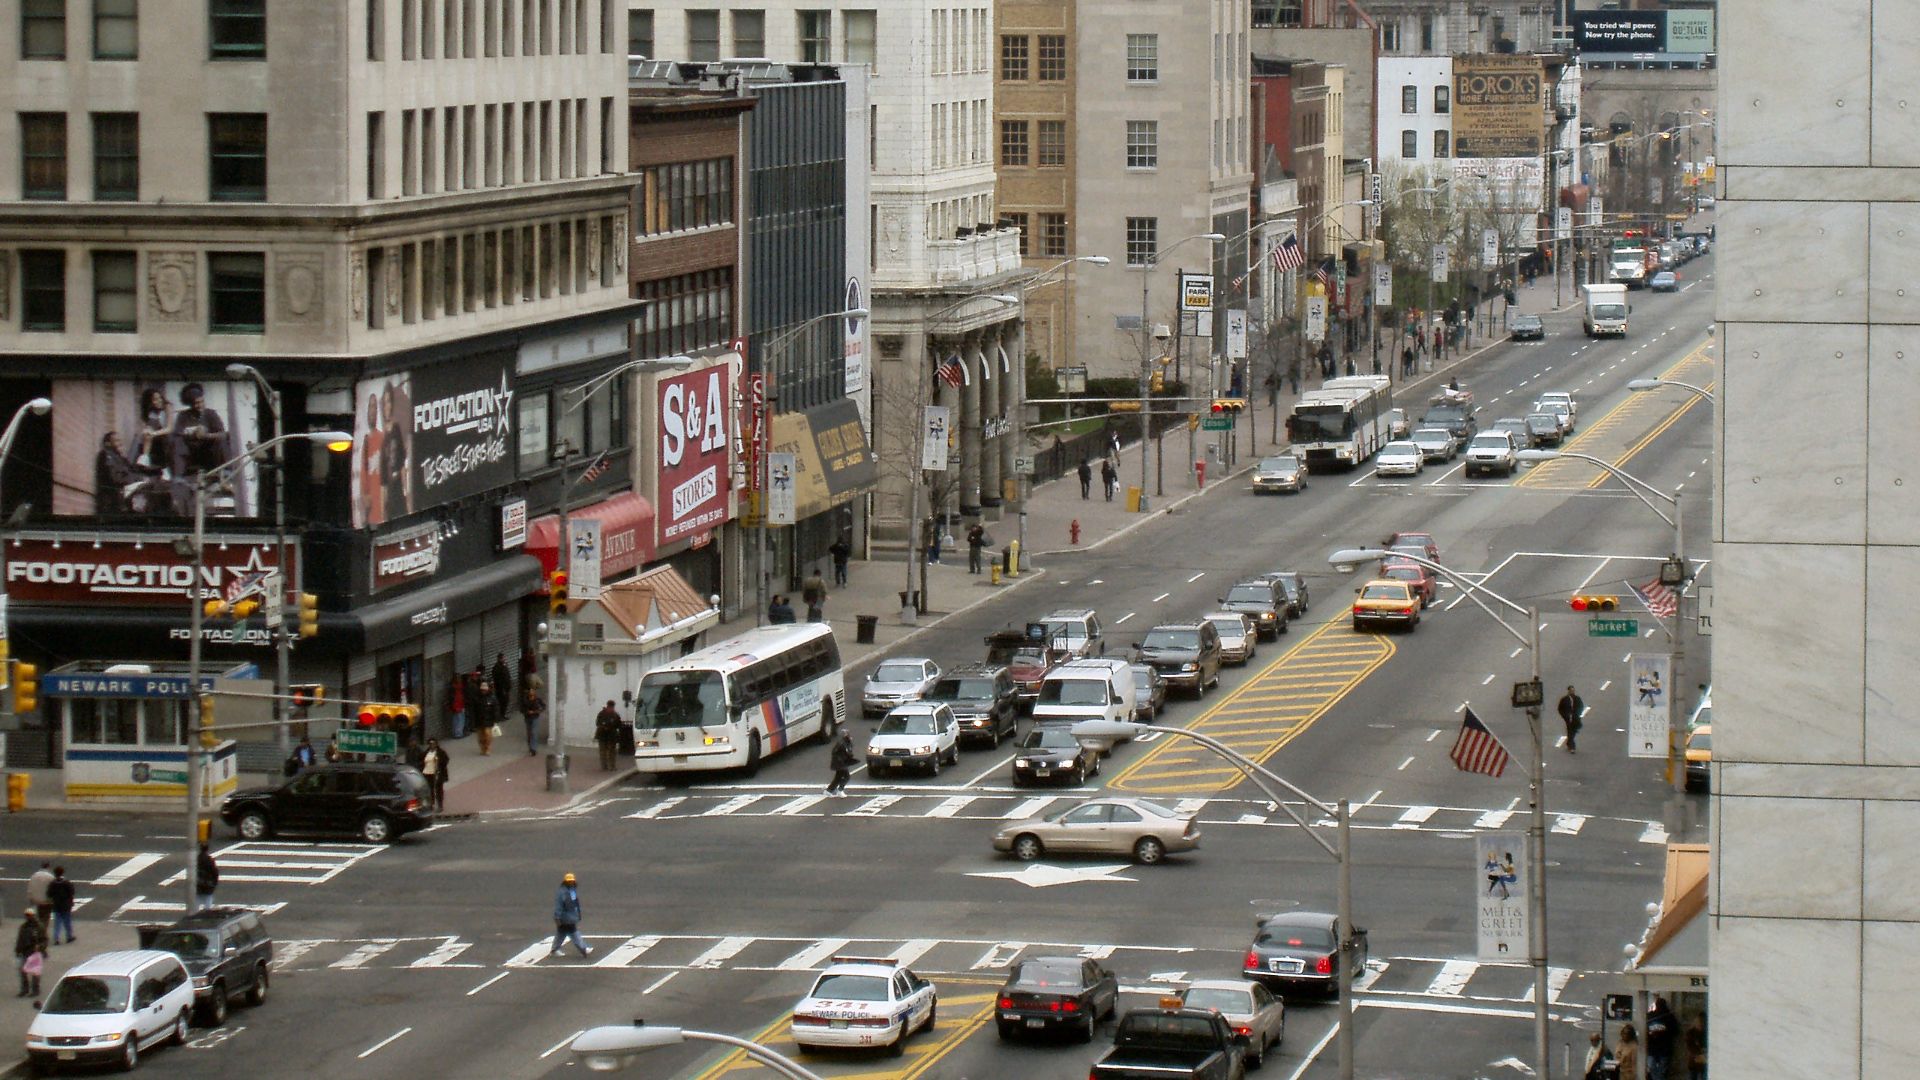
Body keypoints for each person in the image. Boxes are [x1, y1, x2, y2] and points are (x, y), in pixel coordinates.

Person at [551, 872, 592, 958]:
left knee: (561, 933)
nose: (571, 882)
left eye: (572, 881)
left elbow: (575, 904)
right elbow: (559, 906)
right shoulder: (562, 893)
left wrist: (577, 915)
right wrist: (557, 917)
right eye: (569, 881)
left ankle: (554, 950)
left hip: (571, 917)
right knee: (574, 933)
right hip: (566, 918)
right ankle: (583, 949)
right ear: (565, 882)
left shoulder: (572, 890)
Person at [1645, 996, 1676, 1078]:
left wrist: (1659, 1033)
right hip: (1657, 1047)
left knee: (1658, 1069)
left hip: (1661, 1048)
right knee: (1657, 1069)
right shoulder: (1668, 1016)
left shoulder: (1668, 1017)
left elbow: (1674, 1031)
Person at [14, 911, 43, 998]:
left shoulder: (38, 927)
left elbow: (44, 939)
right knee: (22, 970)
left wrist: (40, 946)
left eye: (29, 915)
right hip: (24, 952)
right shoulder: (23, 927)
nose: (28, 917)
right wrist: (18, 950)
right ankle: (24, 989)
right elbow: (20, 939)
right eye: (26, 915)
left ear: (33, 915)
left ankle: (35, 990)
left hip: (34, 952)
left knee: (35, 971)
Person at [46, 868, 73, 946]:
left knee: (57, 923)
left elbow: (49, 894)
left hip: (56, 905)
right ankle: (69, 936)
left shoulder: (53, 883)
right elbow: (71, 892)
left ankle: (56, 938)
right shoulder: (66, 882)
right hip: (66, 905)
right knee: (67, 922)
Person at [825, 730, 856, 796]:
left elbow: (849, 752)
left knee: (838, 777)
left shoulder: (846, 743)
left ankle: (829, 790)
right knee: (846, 776)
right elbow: (835, 752)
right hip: (840, 763)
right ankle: (840, 790)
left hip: (841, 762)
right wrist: (840, 758)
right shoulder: (842, 744)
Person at [594, 701, 622, 771]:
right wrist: (605, 726)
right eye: (611, 707)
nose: (611, 708)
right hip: (605, 735)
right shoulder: (611, 714)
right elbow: (598, 723)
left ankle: (609, 766)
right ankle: (607, 766)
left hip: (608, 735)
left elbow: (619, 724)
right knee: (606, 752)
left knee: (609, 751)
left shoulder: (612, 714)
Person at [421, 739, 448, 810]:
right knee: (430, 790)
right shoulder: (426, 752)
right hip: (427, 773)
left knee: (438, 790)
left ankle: (440, 805)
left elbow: (446, 760)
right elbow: (421, 760)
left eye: (433, 743)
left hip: (437, 774)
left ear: (436, 744)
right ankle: (431, 804)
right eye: (430, 744)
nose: (432, 745)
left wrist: (439, 765)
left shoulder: (440, 752)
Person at [1558, 685, 1585, 753]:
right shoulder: (1564, 699)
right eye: (1571, 691)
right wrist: (1564, 716)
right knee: (1570, 731)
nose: (1572, 692)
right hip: (1568, 719)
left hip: (1575, 718)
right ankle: (1572, 747)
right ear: (1568, 691)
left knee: (1573, 732)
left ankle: (1569, 743)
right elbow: (1560, 708)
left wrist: (1578, 713)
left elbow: (1581, 706)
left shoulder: (1577, 698)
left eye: (1573, 690)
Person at [474, 677, 498, 755]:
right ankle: (482, 748)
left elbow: (495, 709)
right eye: (482, 690)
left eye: (484, 690)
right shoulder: (477, 698)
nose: (483, 691)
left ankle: (487, 748)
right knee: (480, 736)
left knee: (487, 734)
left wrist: (495, 719)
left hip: (488, 720)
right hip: (479, 720)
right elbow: (474, 709)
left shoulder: (492, 698)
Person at [26, 863, 53, 928]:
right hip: (46, 901)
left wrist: (30, 897)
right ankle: (43, 930)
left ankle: (38, 929)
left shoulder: (34, 875)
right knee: (45, 917)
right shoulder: (50, 877)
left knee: (37, 916)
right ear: (48, 867)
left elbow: (30, 887)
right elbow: (53, 889)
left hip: (36, 900)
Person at [521, 689, 546, 757]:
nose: (531, 696)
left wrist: (537, 711)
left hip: (535, 717)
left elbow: (543, 706)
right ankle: (530, 747)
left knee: (534, 733)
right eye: (530, 695)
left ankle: (533, 749)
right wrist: (527, 712)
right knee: (529, 733)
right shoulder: (525, 700)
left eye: (532, 695)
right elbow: (521, 709)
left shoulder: (538, 700)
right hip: (528, 718)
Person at [195, 844, 219, 912]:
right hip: (208, 882)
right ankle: (207, 911)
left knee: (198, 897)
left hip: (199, 881)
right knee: (208, 896)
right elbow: (215, 872)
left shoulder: (197, 859)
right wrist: (215, 882)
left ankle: (195, 911)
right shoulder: (209, 860)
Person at [448, 674, 468, 740]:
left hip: (458, 704)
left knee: (456, 719)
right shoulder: (458, 687)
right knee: (460, 719)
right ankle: (458, 733)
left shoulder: (453, 686)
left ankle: (456, 733)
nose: (459, 679)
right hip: (458, 704)